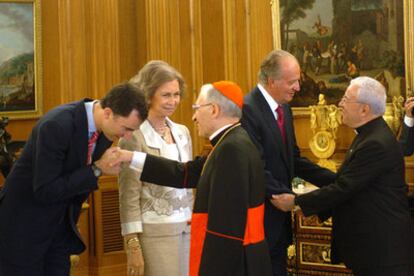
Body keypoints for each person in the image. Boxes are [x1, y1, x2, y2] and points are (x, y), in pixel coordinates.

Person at [115, 81, 272, 276]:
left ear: (214, 110)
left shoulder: (231, 149)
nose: (193, 116)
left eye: (197, 108)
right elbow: (184, 173)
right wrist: (129, 157)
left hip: (237, 262)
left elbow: (227, 228)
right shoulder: (230, 142)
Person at [0, 82, 148, 275]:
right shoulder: (56, 125)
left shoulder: (105, 132)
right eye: (126, 128)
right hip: (23, 231)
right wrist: (96, 169)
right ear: (107, 112)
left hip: (59, 232)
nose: (127, 137)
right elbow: (45, 190)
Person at [273, 76, 414, 276]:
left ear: (364, 109)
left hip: (384, 252)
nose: (340, 104)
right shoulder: (368, 135)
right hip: (375, 249)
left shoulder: (375, 143)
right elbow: (345, 182)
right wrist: (297, 167)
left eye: (346, 100)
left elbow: (344, 188)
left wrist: (297, 202)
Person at [241, 49, 336, 276]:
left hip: (280, 223)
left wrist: (338, 180)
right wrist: (280, 196)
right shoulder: (248, 109)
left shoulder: (283, 108)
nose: (298, 88)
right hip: (259, 220)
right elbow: (254, 166)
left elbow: (293, 159)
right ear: (272, 81)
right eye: (292, 82)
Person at [118, 60, 193, 276]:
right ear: (148, 95)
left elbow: (188, 185)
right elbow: (128, 195)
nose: (173, 101)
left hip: (186, 228)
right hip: (154, 234)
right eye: (166, 95)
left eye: (176, 94)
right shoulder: (133, 136)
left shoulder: (183, 132)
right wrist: (132, 245)